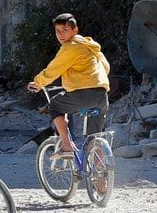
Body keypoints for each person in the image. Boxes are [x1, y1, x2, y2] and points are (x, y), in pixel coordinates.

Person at [27, 13, 110, 157]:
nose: (60, 34)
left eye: (65, 30)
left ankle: (66, 145)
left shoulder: (71, 47)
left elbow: (54, 69)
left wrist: (38, 83)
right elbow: (106, 68)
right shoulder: (91, 47)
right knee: (94, 139)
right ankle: (100, 170)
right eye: (57, 31)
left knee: (55, 106)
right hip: (101, 97)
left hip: (82, 96)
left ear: (75, 30)